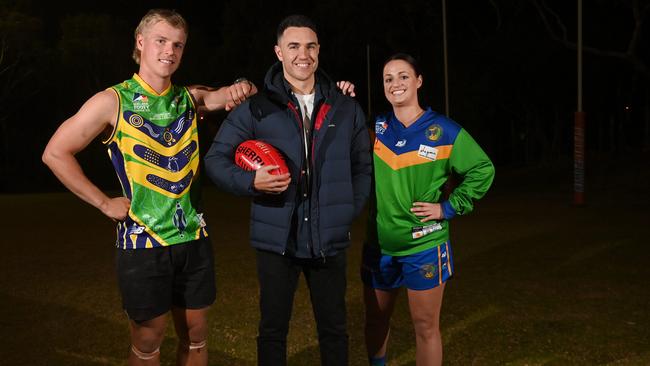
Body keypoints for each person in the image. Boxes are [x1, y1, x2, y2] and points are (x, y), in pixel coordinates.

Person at [41, 9, 257, 366]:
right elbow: (55, 152)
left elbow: (224, 95)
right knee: (147, 344)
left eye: (178, 45)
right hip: (143, 244)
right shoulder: (114, 101)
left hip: (193, 237)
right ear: (140, 42)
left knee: (197, 338)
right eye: (160, 41)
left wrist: (244, 86)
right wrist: (103, 203)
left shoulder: (189, 98)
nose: (169, 51)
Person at [203, 14, 372, 366]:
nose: (303, 54)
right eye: (293, 46)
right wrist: (252, 181)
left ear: (319, 51)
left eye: (310, 46)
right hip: (277, 240)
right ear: (279, 52)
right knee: (272, 331)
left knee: (335, 330)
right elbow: (216, 160)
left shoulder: (345, 106)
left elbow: (362, 166)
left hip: (329, 238)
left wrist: (345, 213)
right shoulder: (257, 108)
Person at [362, 53, 495, 366]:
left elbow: (482, 169)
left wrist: (447, 208)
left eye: (403, 76)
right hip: (379, 245)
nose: (396, 83)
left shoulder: (444, 131)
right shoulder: (377, 129)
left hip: (425, 245)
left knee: (425, 327)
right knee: (375, 320)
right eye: (388, 78)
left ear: (418, 81)